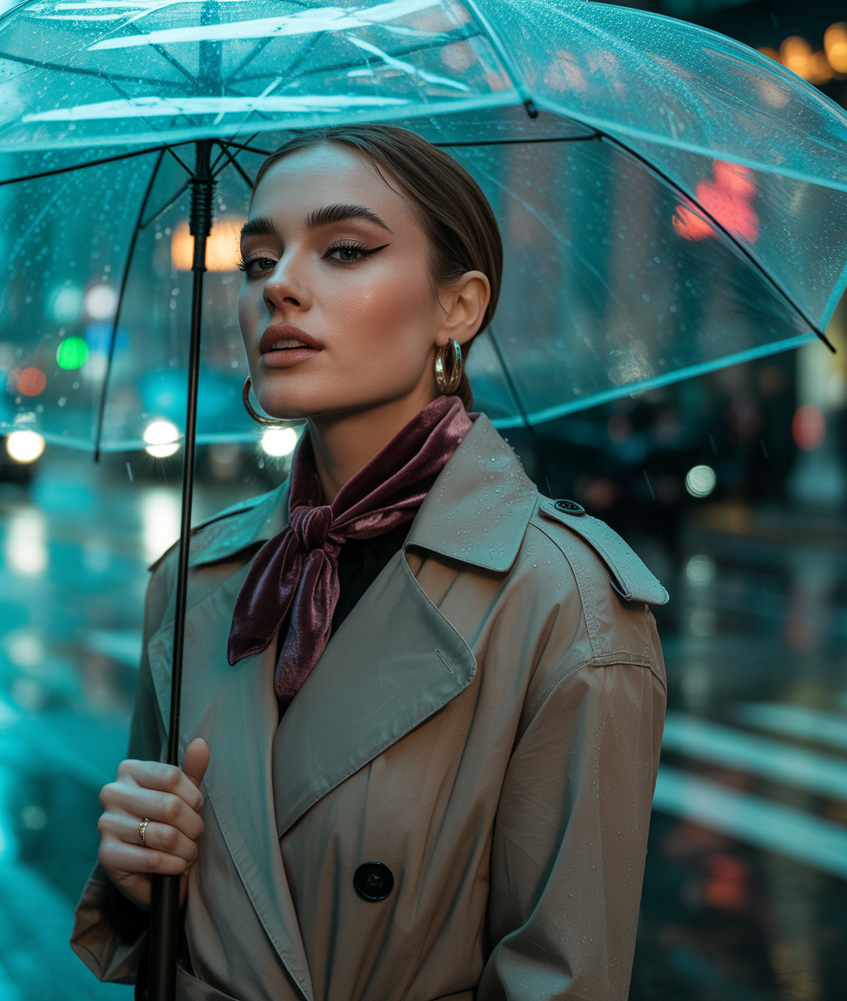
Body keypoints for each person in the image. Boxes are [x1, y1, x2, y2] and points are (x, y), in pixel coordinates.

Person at [71, 124, 668, 1000]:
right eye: (256, 259)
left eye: (344, 249)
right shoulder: (195, 577)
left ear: (458, 307)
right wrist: (138, 883)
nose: (279, 286)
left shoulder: (565, 602)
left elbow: (565, 980)